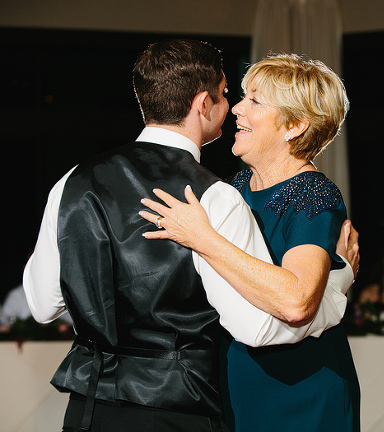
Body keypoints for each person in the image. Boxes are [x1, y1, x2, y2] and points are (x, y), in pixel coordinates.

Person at [23, 40, 358, 432]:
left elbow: (44, 306)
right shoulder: (219, 193)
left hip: (100, 403)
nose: (234, 107)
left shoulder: (72, 183)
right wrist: (337, 283)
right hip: (189, 399)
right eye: (233, 95)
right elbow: (260, 326)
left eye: (253, 100)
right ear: (203, 104)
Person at [141, 53, 361, 432]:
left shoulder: (312, 194)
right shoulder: (233, 187)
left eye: (254, 101)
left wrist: (203, 238)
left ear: (295, 125)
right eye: (242, 97)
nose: (237, 109)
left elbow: (296, 302)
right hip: (235, 379)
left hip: (302, 388)